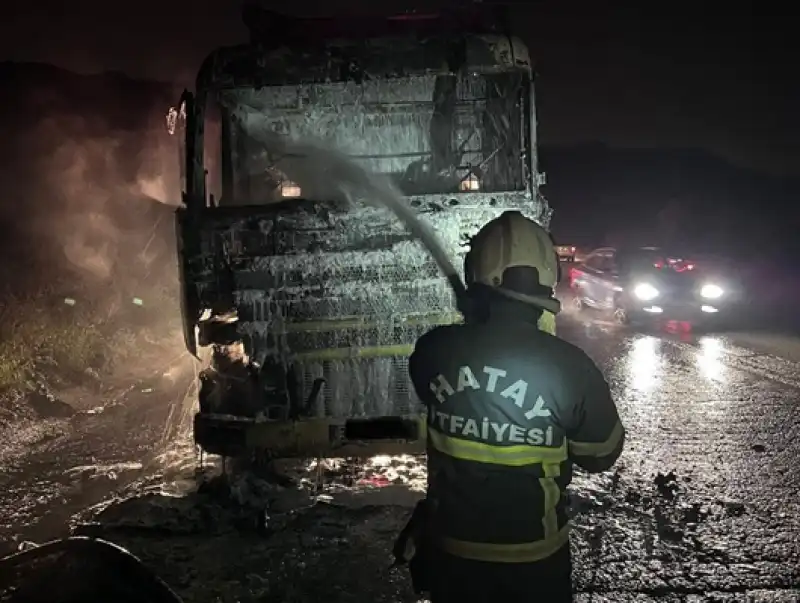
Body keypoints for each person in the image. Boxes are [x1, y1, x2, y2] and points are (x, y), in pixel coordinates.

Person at [400, 210, 625, 602]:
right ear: (546, 278)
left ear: (476, 274)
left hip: (451, 556)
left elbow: (429, 386)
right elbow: (601, 454)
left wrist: (469, 326)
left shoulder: (434, 350)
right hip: (535, 562)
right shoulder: (572, 366)